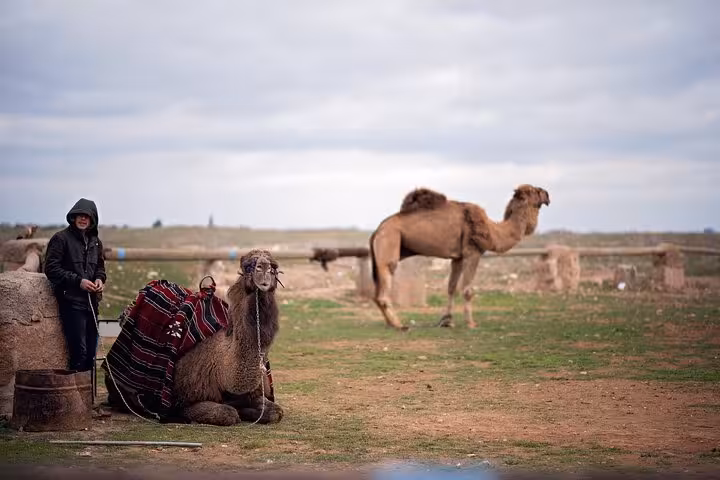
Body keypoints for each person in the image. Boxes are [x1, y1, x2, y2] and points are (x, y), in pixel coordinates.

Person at [44, 198, 106, 372]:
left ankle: (86, 397)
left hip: (92, 303)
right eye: (80, 215)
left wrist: (100, 279)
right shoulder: (60, 238)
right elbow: (51, 268)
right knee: (79, 352)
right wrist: (78, 282)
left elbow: (100, 267)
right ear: (73, 217)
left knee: (90, 354)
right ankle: (74, 397)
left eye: (87, 216)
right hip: (71, 301)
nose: (83, 219)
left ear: (92, 219)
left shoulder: (95, 241)